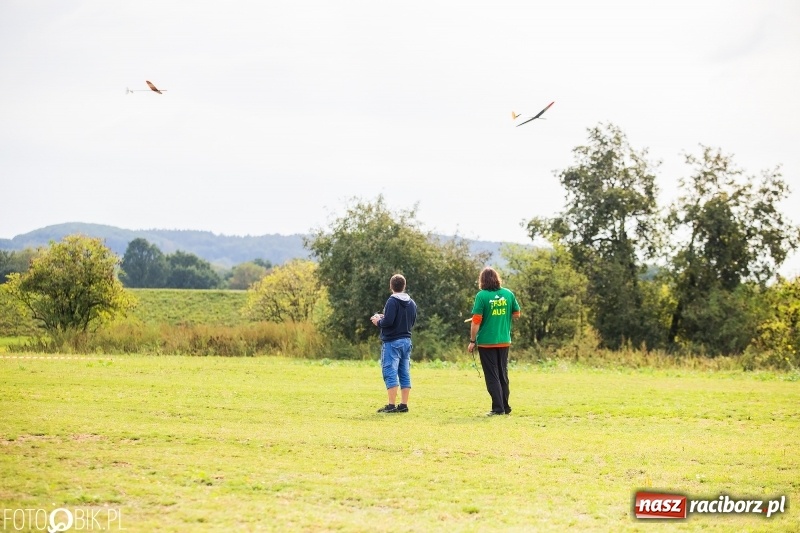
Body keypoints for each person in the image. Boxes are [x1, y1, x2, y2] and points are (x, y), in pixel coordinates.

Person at [467, 267, 520, 416]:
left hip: (487, 342)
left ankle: (498, 409)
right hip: (504, 340)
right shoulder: (508, 294)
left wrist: (472, 341)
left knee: (492, 376)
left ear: (482, 280)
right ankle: (505, 406)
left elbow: (476, 321)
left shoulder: (482, 296)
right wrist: (500, 315)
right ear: (497, 279)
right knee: (503, 374)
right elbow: (517, 314)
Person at [370, 274, 417, 413]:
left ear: (391, 286)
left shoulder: (392, 301)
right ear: (404, 286)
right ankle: (403, 404)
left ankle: (391, 405)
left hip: (392, 342)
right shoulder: (412, 303)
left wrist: (378, 321)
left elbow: (388, 322)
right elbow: (410, 321)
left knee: (390, 371)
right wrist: (386, 317)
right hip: (406, 341)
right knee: (404, 372)